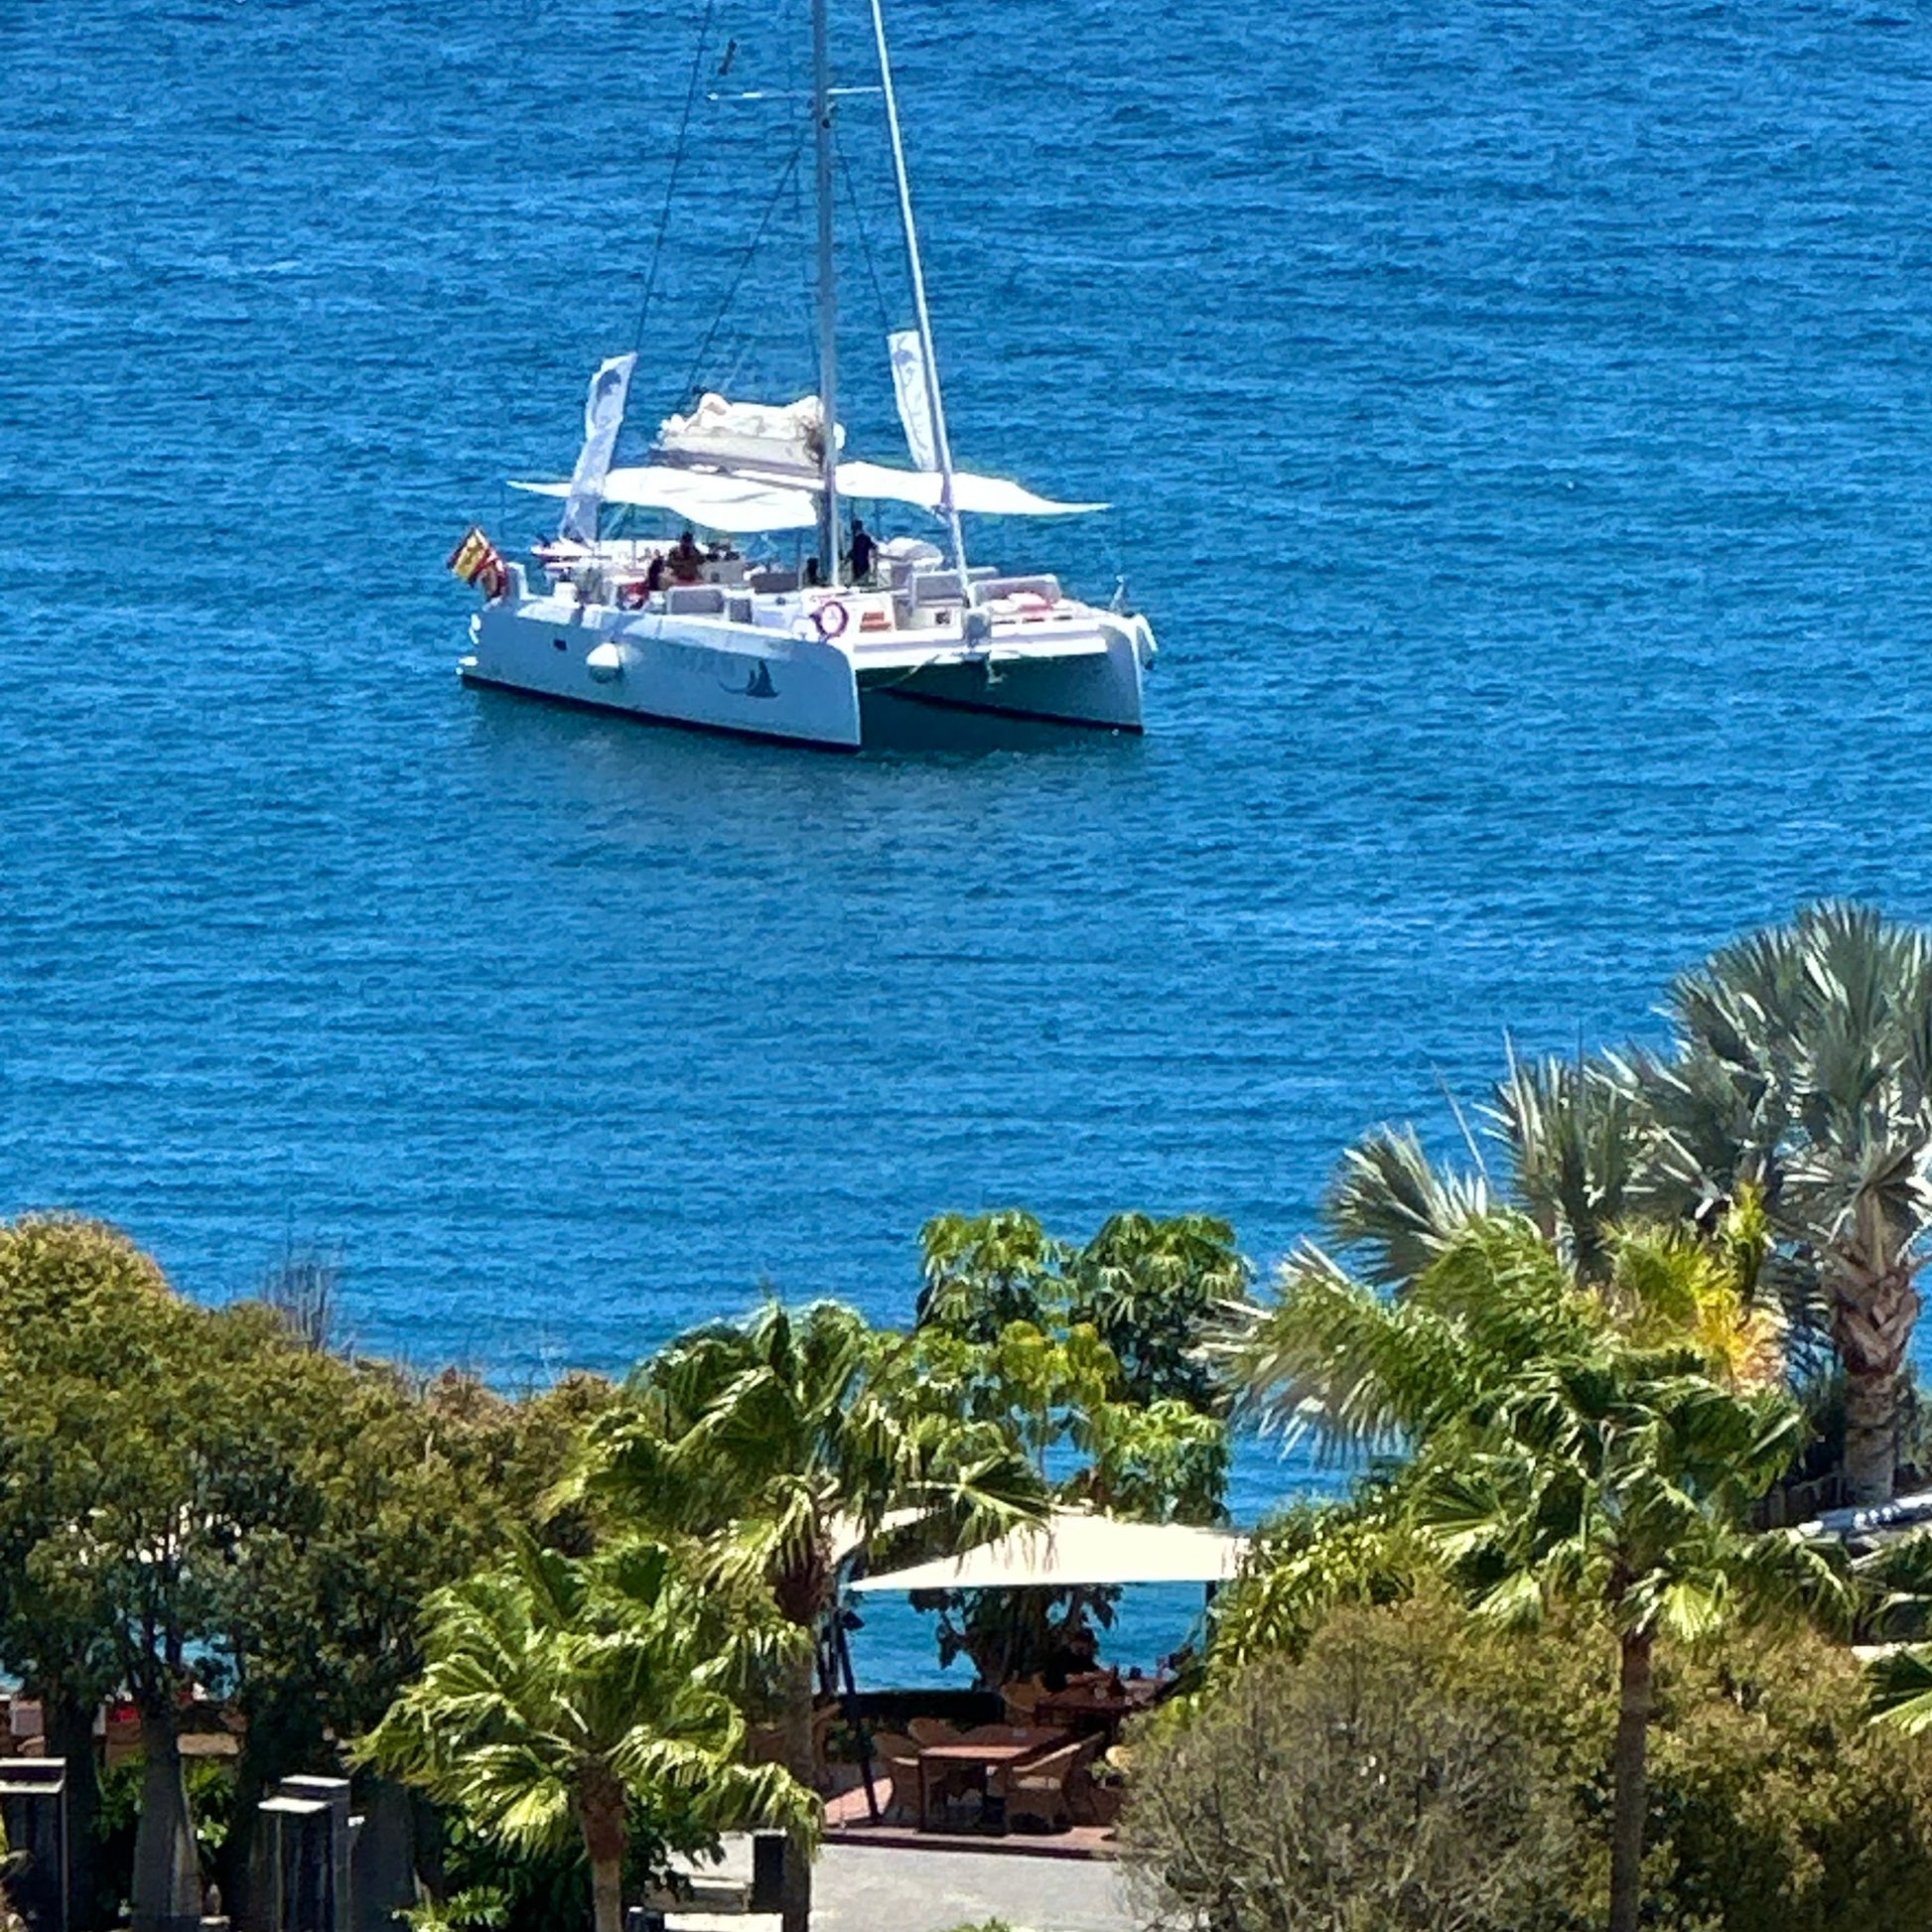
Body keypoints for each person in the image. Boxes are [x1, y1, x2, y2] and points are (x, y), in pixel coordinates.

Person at [849, 515, 876, 583]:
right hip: (864, 563)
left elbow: (854, 551)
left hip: (858, 563)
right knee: (862, 580)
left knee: (858, 580)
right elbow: (874, 547)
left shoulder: (857, 539)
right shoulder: (866, 537)